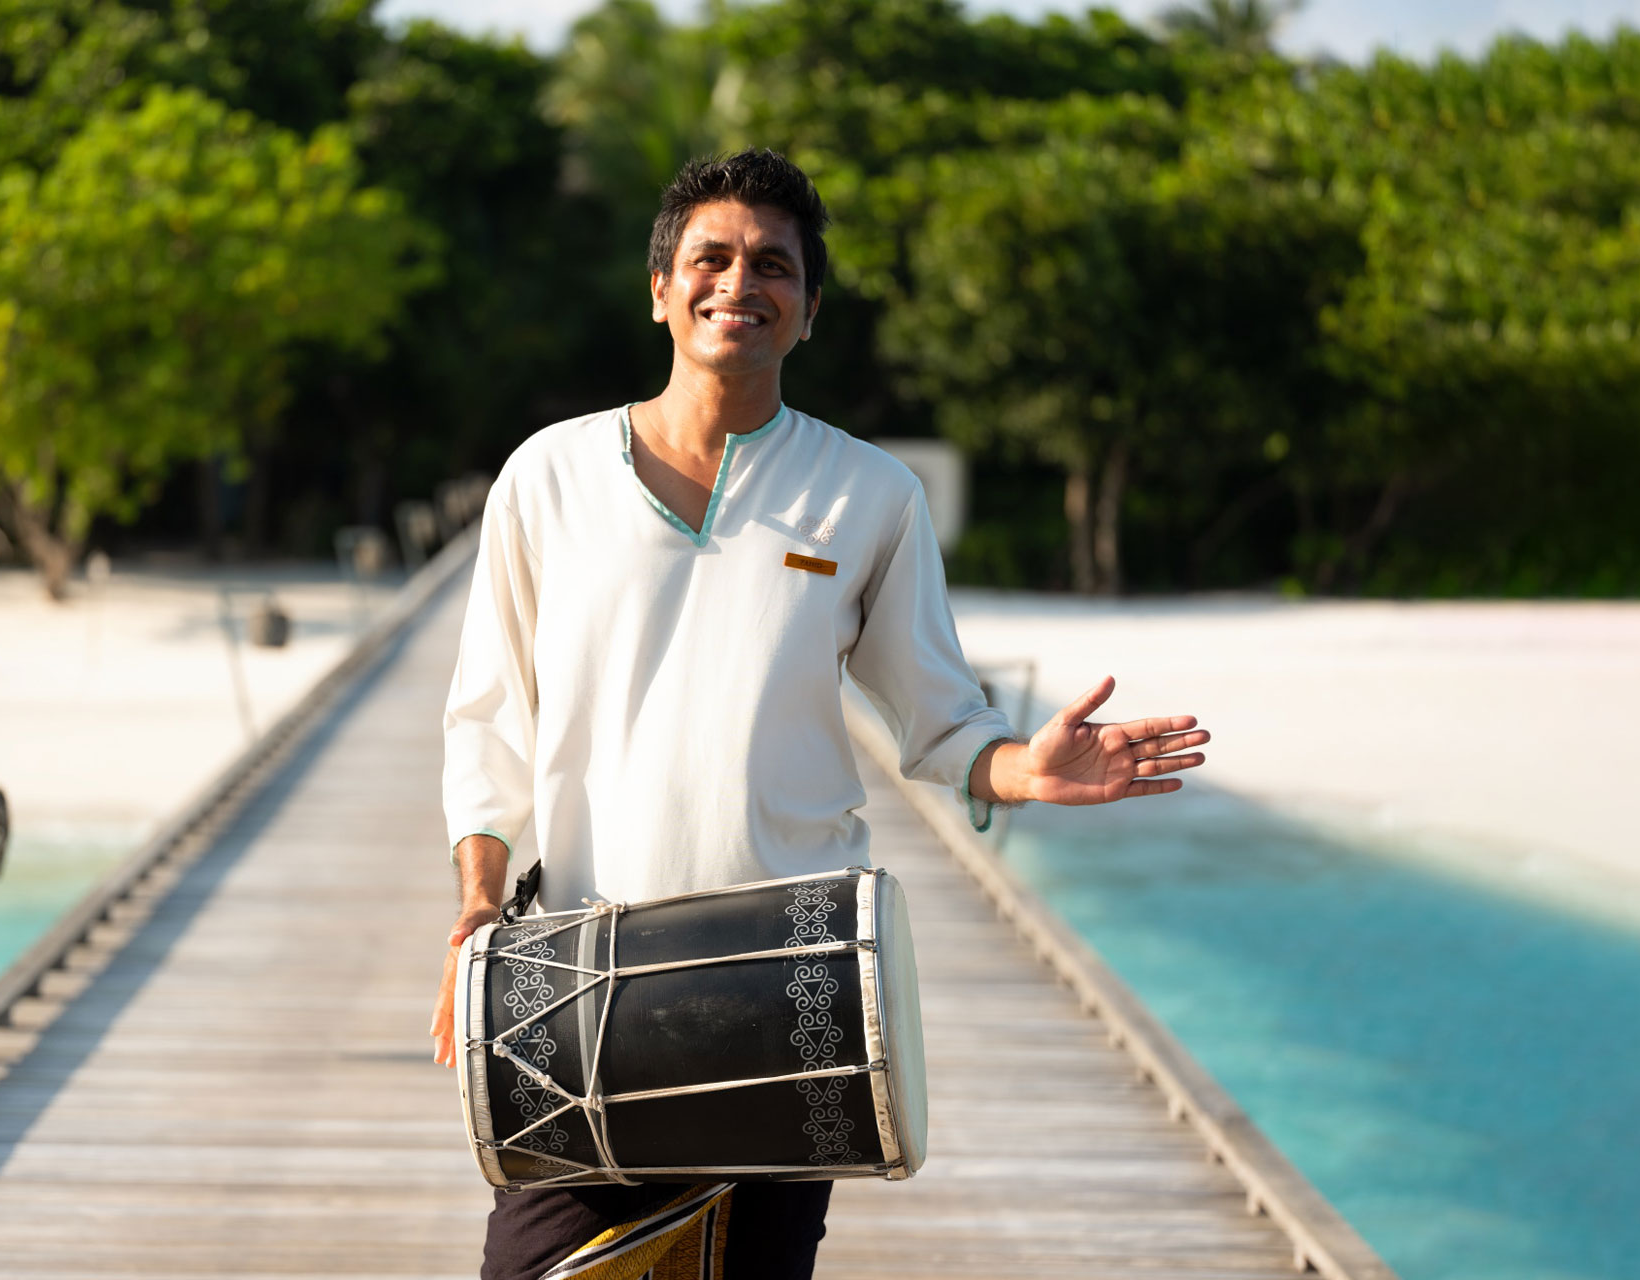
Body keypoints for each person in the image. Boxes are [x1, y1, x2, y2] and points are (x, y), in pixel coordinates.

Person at [432, 149, 1209, 1280]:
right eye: (711, 257)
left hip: (784, 985)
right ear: (659, 288)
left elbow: (939, 719)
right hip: (577, 967)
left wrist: (1019, 769)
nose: (738, 282)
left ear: (807, 311)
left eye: (773, 265)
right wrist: (474, 904)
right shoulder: (545, 479)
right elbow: (489, 718)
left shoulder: (870, 494)